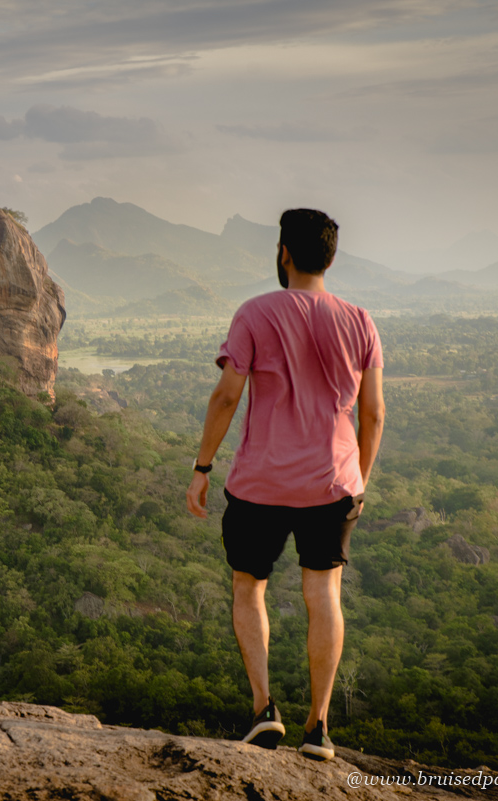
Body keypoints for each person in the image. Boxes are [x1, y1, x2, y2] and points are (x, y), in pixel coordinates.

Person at [185, 208, 385, 761]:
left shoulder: (255, 313)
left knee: (250, 587)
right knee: (324, 593)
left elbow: (227, 396)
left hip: (260, 485)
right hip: (332, 482)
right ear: (331, 256)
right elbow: (373, 415)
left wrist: (202, 468)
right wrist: (358, 482)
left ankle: (263, 708)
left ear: (284, 254)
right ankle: (318, 728)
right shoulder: (360, 321)